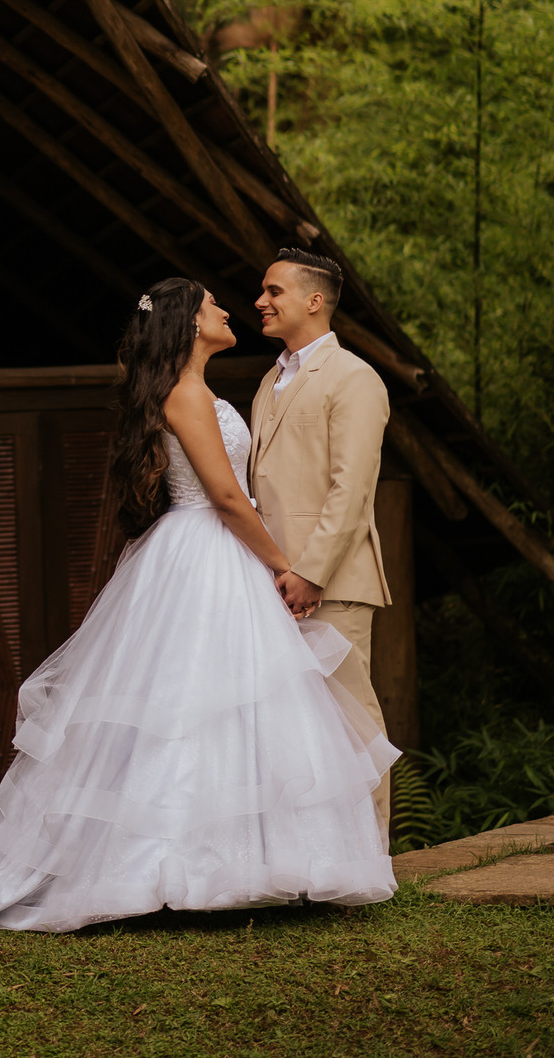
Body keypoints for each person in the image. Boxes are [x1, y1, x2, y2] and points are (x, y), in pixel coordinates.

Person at [0, 278, 398, 932]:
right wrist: (285, 566)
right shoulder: (185, 393)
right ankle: (168, 864)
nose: (227, 310)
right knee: (187, 711)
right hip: (207, 549)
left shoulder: (199, 389)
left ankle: (253, 863)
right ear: (187, 323)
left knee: (236, 712)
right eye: (212, 305)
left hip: (213, 551)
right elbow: (228, 497)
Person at [251, 247, 394, 828]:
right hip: (271, 579)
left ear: (314, 301)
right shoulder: (271, 379)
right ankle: (317, 857)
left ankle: (372, 858)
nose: (260, 302)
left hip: (330, 580)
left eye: (273, 291)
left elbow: (352, 488)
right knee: (294, 724)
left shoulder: (354, 377)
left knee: (350, 718)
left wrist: (310, 571)